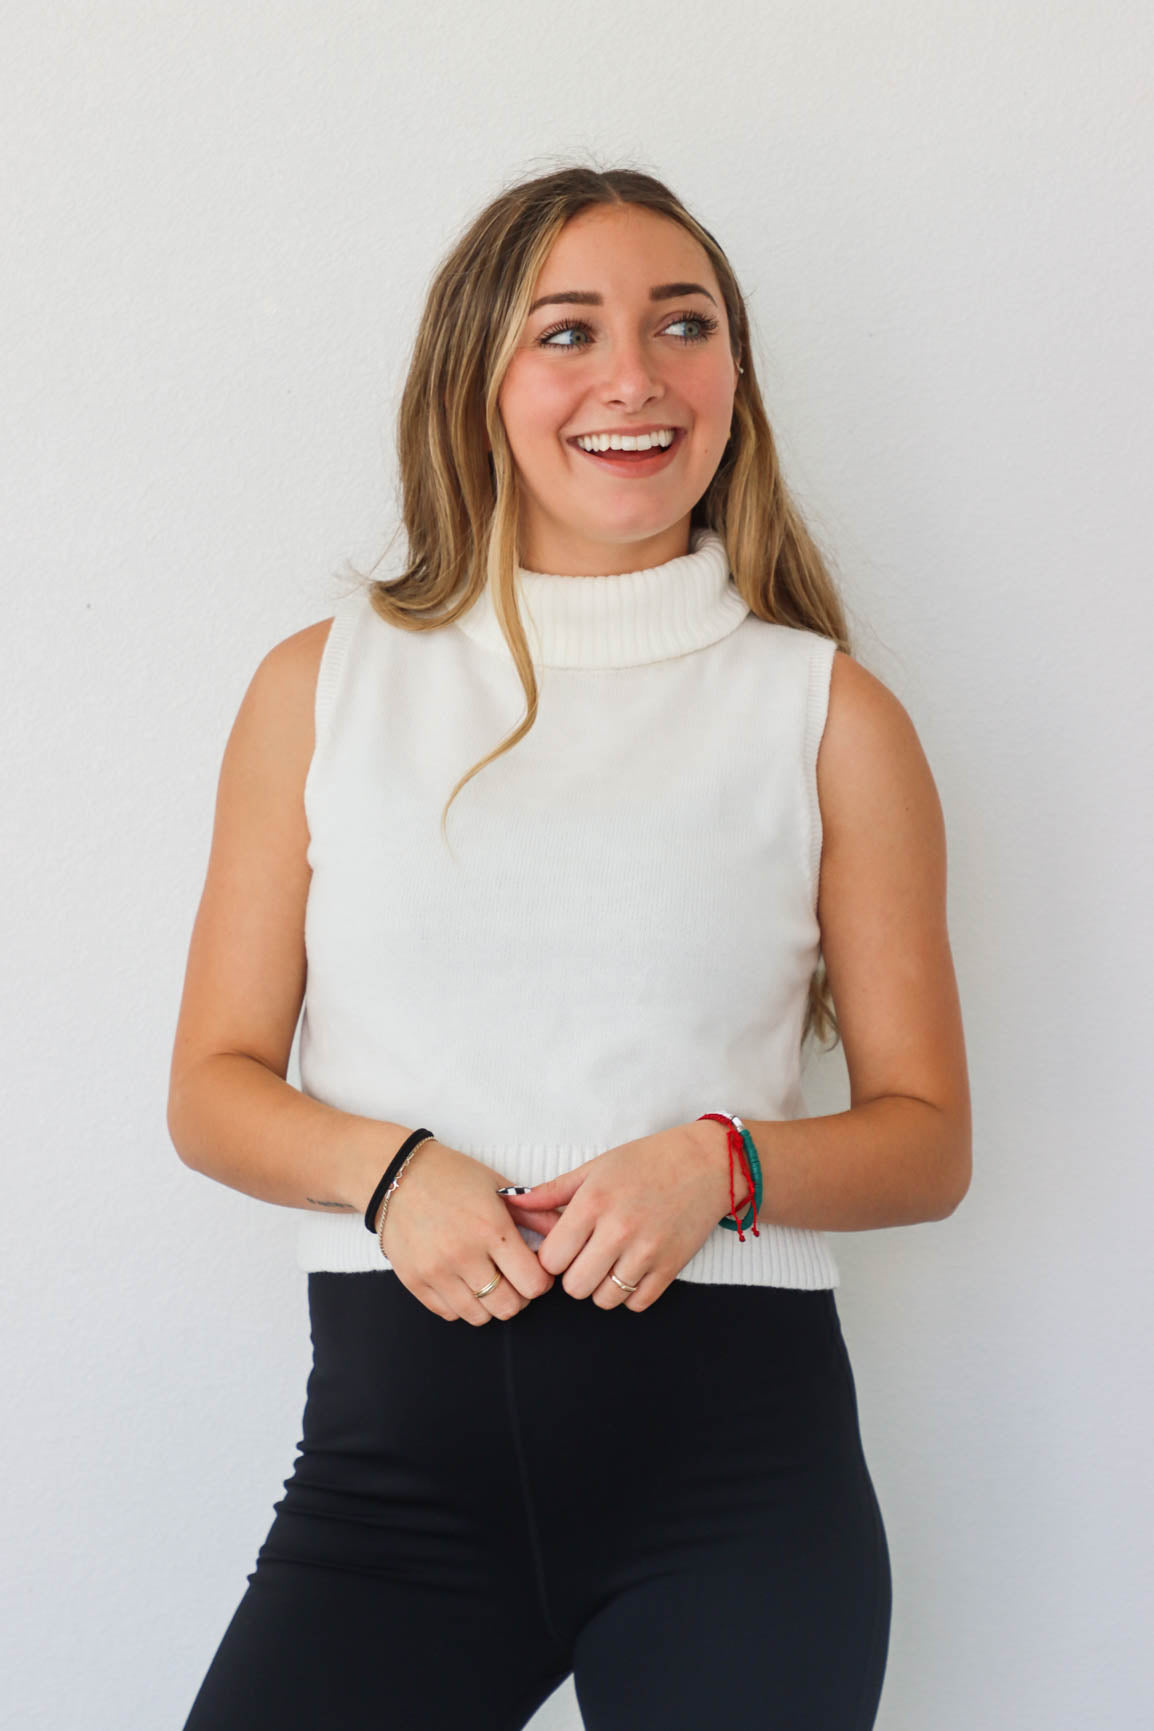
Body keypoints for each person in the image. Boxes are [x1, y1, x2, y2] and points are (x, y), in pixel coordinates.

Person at [169, 164, 971, 1731]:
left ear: (732, 376)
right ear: (477, 377)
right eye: (568, 333)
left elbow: (925, 1144)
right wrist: (387, 1170)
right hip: (388, 1501)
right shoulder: (321, 688)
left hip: (739, 1505)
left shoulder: (825, 714)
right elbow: (212, 1087)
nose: (635, 376)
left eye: (685, 324)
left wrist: (720, 1164)